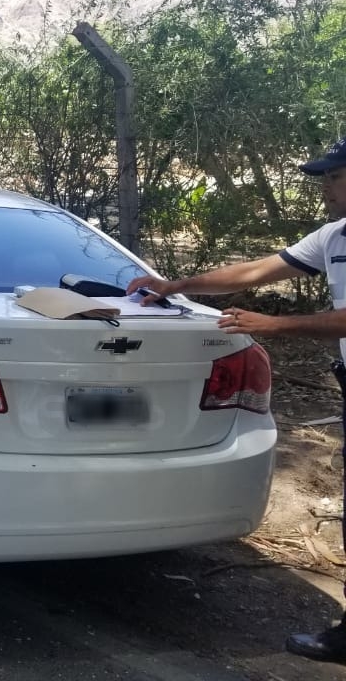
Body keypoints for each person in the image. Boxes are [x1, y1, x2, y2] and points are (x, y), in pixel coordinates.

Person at [126, 136, 346, 664]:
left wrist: (274, 324)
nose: (325, 189)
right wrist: (175, 284)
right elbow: (251, 272)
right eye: (323, 179)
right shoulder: (334, 236)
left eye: (335, 178)